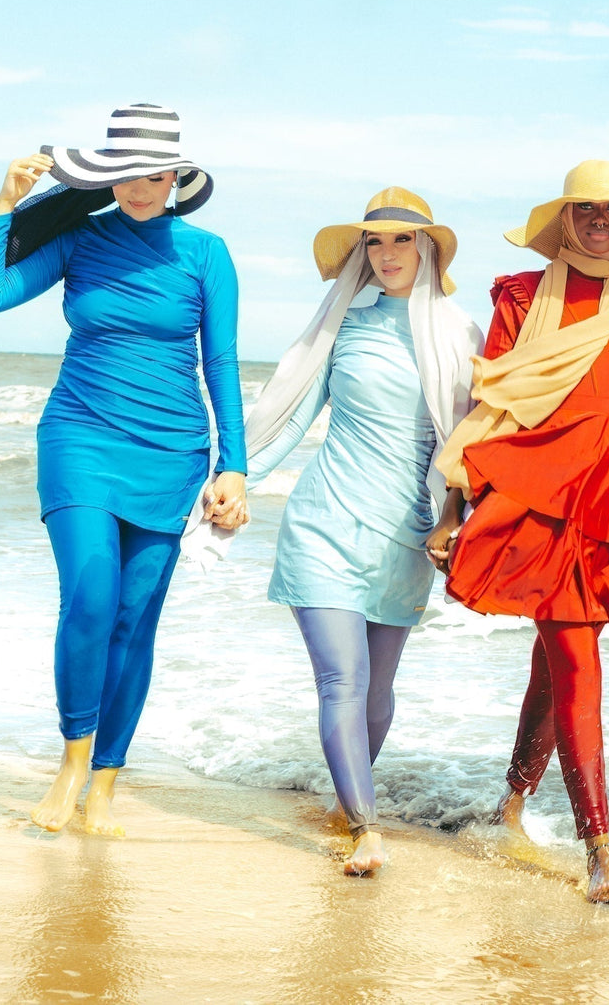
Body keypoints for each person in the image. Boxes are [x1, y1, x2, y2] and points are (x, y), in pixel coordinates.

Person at [0, 105, 247, 835]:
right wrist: (4, 207)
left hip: (171, 453)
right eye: (126, 174)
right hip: (79, 436)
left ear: (178, 175)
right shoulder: (82, 240)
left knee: (134, 618)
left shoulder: (206, 253)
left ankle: (106, 785)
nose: (141, 188)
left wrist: (235, 467)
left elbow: (219, 362)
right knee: (91, 594)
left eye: (155, 174)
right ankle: (70, 764)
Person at [429, 161, 609, 904]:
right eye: (586, 208)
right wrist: (453, 507)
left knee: (559, 650)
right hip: (535, 485)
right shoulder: (521, 295)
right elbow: (493, 402)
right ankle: (598, 841)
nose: (601, 218)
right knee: (573, 649)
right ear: (565, 218)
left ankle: (510, 802)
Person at [244, 188, 481, 877]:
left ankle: (349, 796)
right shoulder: (343, 324)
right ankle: (365, 827)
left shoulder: (460, 335)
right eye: (374, 242)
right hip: (324, 522)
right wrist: (234, 479)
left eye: (401, 241)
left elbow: (469, 442)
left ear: (426, 247)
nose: (386, 254)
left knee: (377, 693)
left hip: (404, 535)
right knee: (342, 682)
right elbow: (290, 417)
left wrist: (453, 520)